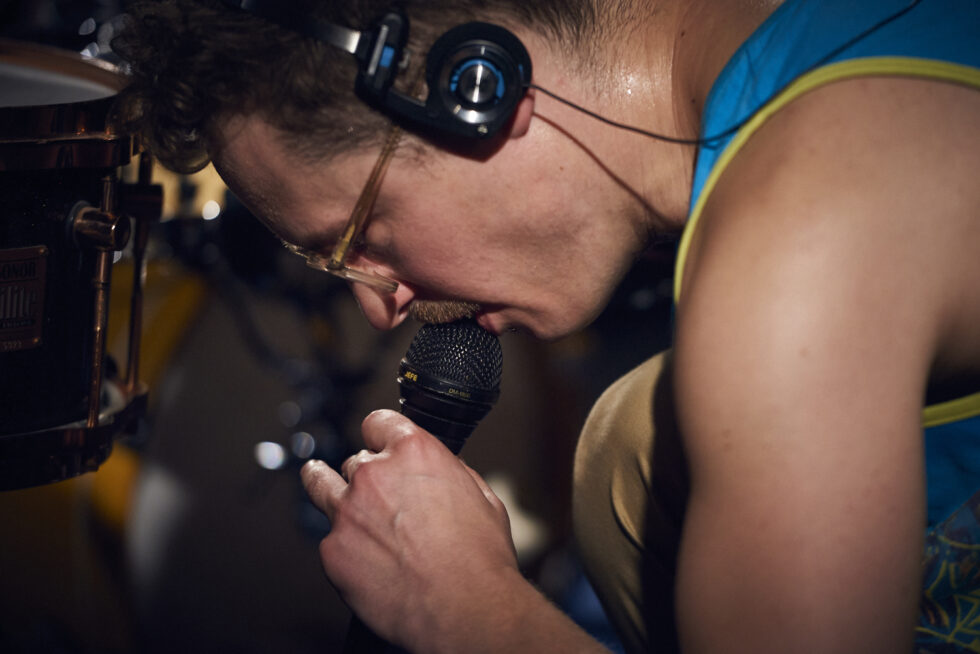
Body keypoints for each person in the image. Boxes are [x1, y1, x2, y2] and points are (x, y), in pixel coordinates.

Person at [113, 0, 980, 651]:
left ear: (474, 88)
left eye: (360, 239)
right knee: (631, 450)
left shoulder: (799, 248)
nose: (381, 304)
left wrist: (474, 614)